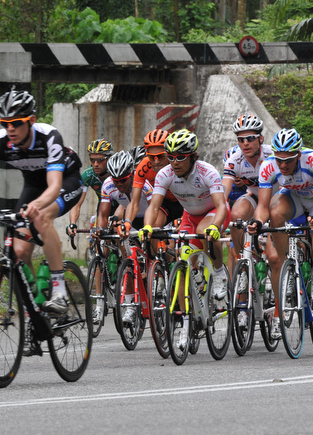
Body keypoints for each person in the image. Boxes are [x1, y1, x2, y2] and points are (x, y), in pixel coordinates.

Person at [0, 90, 83, 318]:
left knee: (42, 217)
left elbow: (53, 187)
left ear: (31, 120)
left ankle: (59, 291)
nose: (9, 128)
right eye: (5, 123)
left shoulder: (49, 137)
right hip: (33, 185)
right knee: (19, 250)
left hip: (66, 180)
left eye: (15, 123)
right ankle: (33, 305)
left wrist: (38, 205)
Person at [140, 129, 230, 350]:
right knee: (183, 263)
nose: (175, 162)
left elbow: (221, 206)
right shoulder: (165, 174)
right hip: (189, 214)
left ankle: (218, 275)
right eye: (170, 157)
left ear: (193, 156)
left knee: (205, 231)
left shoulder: (207, 172)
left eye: (181, 157)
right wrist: (148, 227)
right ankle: (185, 323)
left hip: (214, 213)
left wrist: (216, 227)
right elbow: (153, 206)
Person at [248, 128, 313, 340]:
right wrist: (258, 222)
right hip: (294, 200)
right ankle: (285, 262)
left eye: (288, 160)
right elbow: (262, 205)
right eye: (279, 160)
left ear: (298, 154)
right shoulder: (268, 165)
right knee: (275, 211)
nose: (283, 165)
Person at [96, 150, 158, 325]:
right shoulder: (108, 185)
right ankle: (130, 305)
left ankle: (159, 277)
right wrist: (100, 230)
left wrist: (148, 230)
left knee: (156, 251)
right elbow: (103, 213)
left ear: (131, 174)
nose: (119, 185)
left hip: (149, 218)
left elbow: (155, 209)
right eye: (116, 181)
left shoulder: (144, 185)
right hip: (130, 219)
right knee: (127, 258)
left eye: (123, 180)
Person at [222, 114, 273, 279]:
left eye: (250, 138)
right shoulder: (234, 160)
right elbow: (223, 194)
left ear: (260, 138)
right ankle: (242, 260)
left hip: (278, 198)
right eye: (240, 139)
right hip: (255, 196)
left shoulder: (272, 155)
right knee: (236, 214)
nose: (245, 143)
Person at [127, 129, 183, 230]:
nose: (156, 161)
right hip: (164, 201)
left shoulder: (179, 164)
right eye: (151, 157)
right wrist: (127, 223)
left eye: (161, 156)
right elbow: (134, 202)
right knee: (153, 227)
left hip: (186, 200)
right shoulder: (143, 166)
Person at [67, 139, 114, 239]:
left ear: (109, 158)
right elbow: (77, 204)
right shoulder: (88, 175)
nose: (96, 164)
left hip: (121, 206)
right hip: (103, 207)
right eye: (92, 160)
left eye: (100, 160)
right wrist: (73, 224)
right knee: (100, 240)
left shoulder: (116, 172)